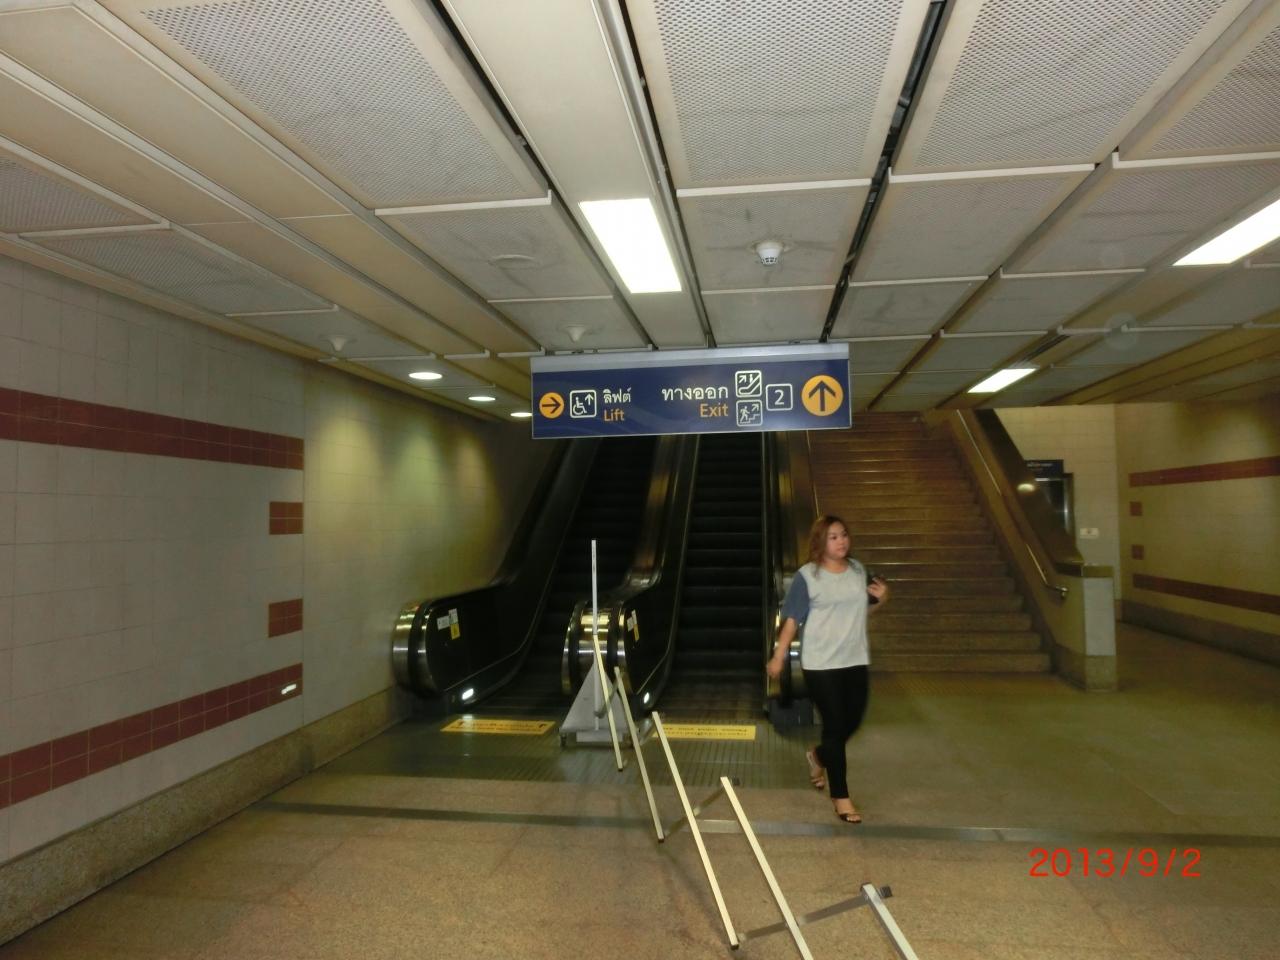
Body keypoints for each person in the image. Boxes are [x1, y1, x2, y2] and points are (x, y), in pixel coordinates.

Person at [766, 515, 888, 823]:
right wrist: (779, 656)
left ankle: (818, 756)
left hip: (855, 659)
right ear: (820, 541)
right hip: (821, 663)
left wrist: (881, 600)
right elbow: (791, 620)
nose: (841, 541)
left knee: (852, 722)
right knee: (834, 725)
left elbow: (864, 608)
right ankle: (841, 797)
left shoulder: (858, 570)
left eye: (844, 534)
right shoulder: (808, 576)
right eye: (833, 537)